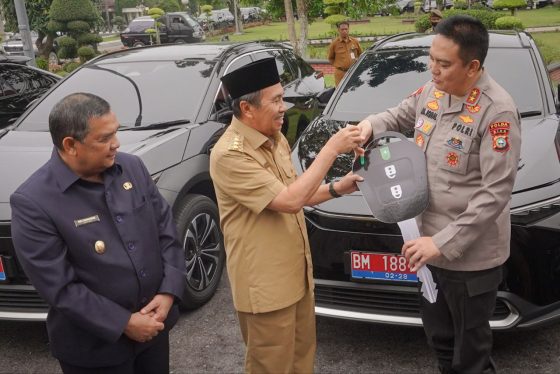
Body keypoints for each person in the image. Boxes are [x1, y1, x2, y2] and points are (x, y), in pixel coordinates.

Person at [356, 16, 521, 373]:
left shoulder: (497, 112)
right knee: (442, 344)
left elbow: (495, 193)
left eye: (444, 64)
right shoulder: (433, 90)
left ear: (472, 66)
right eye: (431, 59)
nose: (433, 69)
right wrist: (370, 125)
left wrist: (442, 242)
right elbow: (400, 113)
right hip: (428, 250)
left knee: (470, 355)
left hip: (469, 259)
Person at [10, 93, 186, 374]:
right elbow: (60, 288)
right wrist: (124, 323)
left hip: (155, 328)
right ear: (70, 145)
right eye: (103, 139)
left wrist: (168, 292)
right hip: (95, 351)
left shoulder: (132, 167)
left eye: (115, 133)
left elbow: (166, 230)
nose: (116, 143)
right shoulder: (34, 202)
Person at [210, 58, 364, 373]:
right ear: (246, 108)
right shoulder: (230, 154)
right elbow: (291, 200)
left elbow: (296, 190)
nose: (285, 107)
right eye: (276, 100)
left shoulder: (274, 137)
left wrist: (338, 187)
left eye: (283, 97)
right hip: (265, 290)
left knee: (301, 363)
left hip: (297, 276)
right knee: (272, 367)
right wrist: (331, 148)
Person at [327, 21, 363, 86]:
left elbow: (360, 54)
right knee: (340, 93)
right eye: (342, 29)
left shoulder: (355, 41)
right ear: (338, 30)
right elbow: (330, 58)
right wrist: (340, 65)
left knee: (354, 90)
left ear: (348, 29)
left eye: (346, 29)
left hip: (353, 72)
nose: (344, 31)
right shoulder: (334, 44)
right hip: (340, 74)